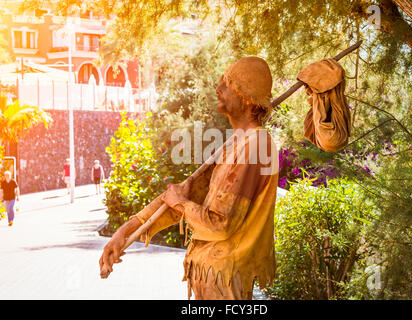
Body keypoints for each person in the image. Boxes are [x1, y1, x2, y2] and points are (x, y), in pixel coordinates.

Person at [99, 56, 279, 300]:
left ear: (247, 98)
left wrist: (180, 203)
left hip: (226, 284)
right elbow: (183, 197)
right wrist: (123, 233)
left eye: (227, 84)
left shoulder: (256, 145)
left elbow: (220, 225)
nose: (218, 89)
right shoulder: (235, 144)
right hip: (211, 280)